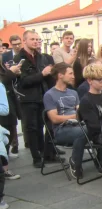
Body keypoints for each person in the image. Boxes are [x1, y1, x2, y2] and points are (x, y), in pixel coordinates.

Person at [14, 30, 57, 168]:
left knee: (45, 125)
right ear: (24, 40)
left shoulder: (41, 57)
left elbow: (46, 75)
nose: (36, 41)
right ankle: (36, 157)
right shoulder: (18, 58)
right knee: (32, 128)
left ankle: (46, 153)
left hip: (43, 95)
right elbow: (23, 81)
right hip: (28, 98)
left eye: (37, 39)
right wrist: (42, 74)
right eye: (32, 39)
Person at [43, 63, 87, 179]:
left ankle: (101, 162)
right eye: (70, 73)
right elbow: (54, 119)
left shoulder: (74, 93)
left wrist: (79, 117)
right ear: (60, 75)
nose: (73, 76)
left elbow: (80, 112)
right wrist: (74, 117)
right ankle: (75, 161)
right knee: (83, 132)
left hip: (77, 126)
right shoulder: (49, 95)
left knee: (94, 128)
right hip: (61, 130)